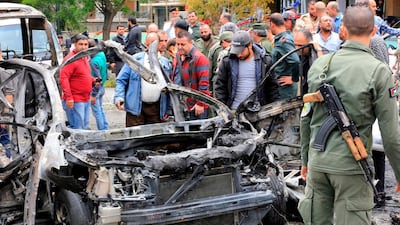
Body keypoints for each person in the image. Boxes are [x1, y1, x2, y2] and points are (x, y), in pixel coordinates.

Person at [298, 6, 400, 225]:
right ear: (374, 31)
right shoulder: (378, 71)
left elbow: (305, 117)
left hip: (318, 163)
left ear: (342, 30)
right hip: (351, 168)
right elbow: (391, 133)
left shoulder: (320, 65)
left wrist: (305, 161)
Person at [114, 32, 172, 127]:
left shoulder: (165, 64)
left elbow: (170, 88)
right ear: (145, 44)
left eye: (154, 43)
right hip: (135, 109)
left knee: (153, 138)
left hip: (156, 109)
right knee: (135, 138)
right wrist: (119, 97)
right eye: (149, 44)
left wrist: (168, 109)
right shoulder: (134, 60)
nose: (151, 47)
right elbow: (121, 80)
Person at [215, 30, 280, 110]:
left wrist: (273, 109)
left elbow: (272, 88)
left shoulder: (265, 62)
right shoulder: (227, 61)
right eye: (236, 51)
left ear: (249, 45)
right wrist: (223, 109)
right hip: (234, 110)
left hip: (258, 111)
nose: (238, 55)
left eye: (241, 51)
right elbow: (220, 87)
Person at [171, 31, 210, 120]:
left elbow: (204, 84)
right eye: (178, 44)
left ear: (191, 43)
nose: (180, 47)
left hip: (197, 107)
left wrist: (200, 104)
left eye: (183, 44)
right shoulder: (178, 57)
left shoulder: (200, 59)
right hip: (184, 105)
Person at [60, 34, 93, 130]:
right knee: (78, 129)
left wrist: (93, 81)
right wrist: (69, 98)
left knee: (84, 127)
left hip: (85, 99)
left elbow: (82, 76)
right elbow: (63, 78)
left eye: (86, 44)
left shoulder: (84, 57)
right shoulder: (71, 59)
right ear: (75, 44)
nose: (83, 47)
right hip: (75, 100)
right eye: (81, 44)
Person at [270, 13, 300, 99]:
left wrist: (294, 79)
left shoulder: (284, 41)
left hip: (285, 88)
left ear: (272, 24)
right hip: (282, 86)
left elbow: (295, 60)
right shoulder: (283, 37)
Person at [293, 29, 323, 96]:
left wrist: (319, 51)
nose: (297, 48)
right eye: (295, 45)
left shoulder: (319, 52)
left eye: (300, 45)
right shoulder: (298, 55)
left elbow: (323, 67)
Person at [88, 39, 109, 130]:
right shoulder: (102, 55)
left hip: (95, 89)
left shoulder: (93, 62)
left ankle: (102, 130)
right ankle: (105, 128)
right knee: (100, 110)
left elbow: (98, 79)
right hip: (102, 87)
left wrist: (93, 94)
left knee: (97, 112)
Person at [0, 69, 14, 167]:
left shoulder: (2, 72)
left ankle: (8, 165)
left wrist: (5, 117)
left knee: (4, 140)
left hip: (1, 116)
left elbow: (9, 95)